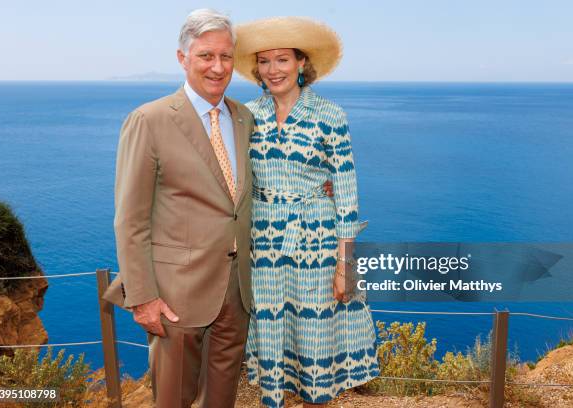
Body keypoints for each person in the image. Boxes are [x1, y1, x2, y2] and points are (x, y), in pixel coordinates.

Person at [102, 9, 254, 408]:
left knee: (221, 401)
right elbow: (130, 219)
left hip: (236, 294)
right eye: (206, 55)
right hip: (174, 298)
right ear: (182, 58)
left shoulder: (244, 118)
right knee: (173, 401)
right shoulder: (148, 121)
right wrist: (143, 296)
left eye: (226, 56)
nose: (218, 67)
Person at [234, 17, 380, 408]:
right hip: (262, 237)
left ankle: (316, 399)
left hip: (316, 233)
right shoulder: (247, 116)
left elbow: (346, 189)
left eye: (282, 59)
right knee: (271, 325)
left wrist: (344, 263)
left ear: (301, 63)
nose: (273, 69)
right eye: (264, 62)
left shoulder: (330, 115)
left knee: (315, 330)